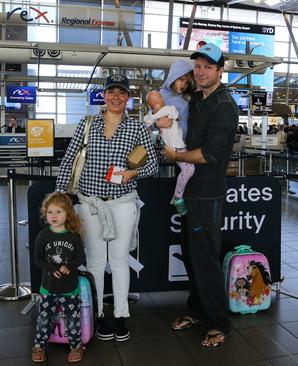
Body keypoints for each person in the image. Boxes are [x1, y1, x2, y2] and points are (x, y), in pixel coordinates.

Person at [53, 74, 158, 343]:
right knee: (97, 262)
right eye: (111, 91)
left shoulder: (136, 128)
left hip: (123, 203)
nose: (116, 97)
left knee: (120, 261)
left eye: (121, 93)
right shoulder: (87, 124)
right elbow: (68, 160)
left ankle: (122, 315)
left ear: (128, 98)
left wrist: (131, 174)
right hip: (89, 204)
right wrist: (60, 195)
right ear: (104, 95)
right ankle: (99, 314)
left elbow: (152, 165)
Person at [163, 43, 237, 348]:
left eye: (208, 66)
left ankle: (219, 323)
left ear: (220, 70)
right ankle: (196, 310)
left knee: (205, 261)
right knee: (192, 258)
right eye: (197, 66)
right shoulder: (197, 100)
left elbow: (211, 154)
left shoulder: (223, 105)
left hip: (207, 196)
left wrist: (174, 154)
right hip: (189, 193)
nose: (201, 71)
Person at [32, 192, 85, 364]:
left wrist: (69, 266)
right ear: (45, 214)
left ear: (68, 214)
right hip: (48, 288)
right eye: (50, 212)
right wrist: (50, 267)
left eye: (59, 212)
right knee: (44, 318)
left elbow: (81, 259)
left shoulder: (73, 235)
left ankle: (76, 346)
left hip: (70, 289)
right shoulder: (43, 236)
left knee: (72, 318)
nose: (54, 216)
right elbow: (37, 259)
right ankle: (39, 346)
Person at [144, 59, 195, 215]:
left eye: (186, 82)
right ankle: (178, 197)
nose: (183, 85)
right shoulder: (159, 96)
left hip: (187, 143)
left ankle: (180, 196)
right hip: (174, 145)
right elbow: (149, 120)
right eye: (180, 79)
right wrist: (158, 125)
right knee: (188, 170)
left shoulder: (187, 97)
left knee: (190, 172)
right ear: (173, 76)